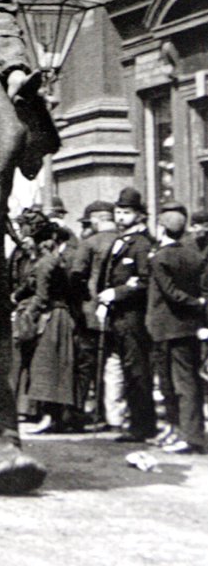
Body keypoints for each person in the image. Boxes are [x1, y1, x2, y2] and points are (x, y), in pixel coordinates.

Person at [96, 185, 156, 443]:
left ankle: (142, 425)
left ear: (139, 215)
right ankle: (134, 421)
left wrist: (116, 294)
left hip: (134, 316)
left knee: (137, 370)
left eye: (127, 212)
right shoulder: (121, 242)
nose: (121, 216)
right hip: (119, 316)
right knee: (127, 369)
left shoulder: (141, 245)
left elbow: (144, 281)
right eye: (118, 211)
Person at [146, 203, 207, 454]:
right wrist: (200, 305)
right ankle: (186, 432)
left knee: (179, 384)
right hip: (188, 326)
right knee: (187, 382)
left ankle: (190, 436)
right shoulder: (194, 255)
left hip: (168, 326)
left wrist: (196, 303)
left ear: (162, 228)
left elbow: (171, 293)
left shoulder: (160, 258)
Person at [24, 224, 80, 434]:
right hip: (62, 316)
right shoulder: (57, 261)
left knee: (46, 365)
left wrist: (29, 313)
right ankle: (57, 417)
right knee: (56, 366)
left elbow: (41, 296)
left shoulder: (45, 263)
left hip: (52, 318)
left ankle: (49, 417)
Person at [69, 200, 121, 427]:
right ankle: (108, 413)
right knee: (113, 364)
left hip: (90, 312)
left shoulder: (89, 243)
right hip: (119, 312)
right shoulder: (123, 240)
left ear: (97, 220)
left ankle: (79, 411)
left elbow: (77, 276)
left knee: (86, 364)